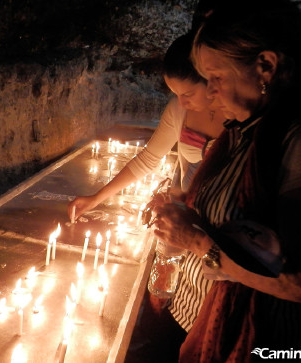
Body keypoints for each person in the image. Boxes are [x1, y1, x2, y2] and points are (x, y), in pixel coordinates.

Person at [153, 0, 301, 360]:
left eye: (216, 77)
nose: (210, 91)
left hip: (256, 342)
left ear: (265, 66)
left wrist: (199, 243)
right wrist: (182, 207)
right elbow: (230, 216)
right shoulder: (245, 129)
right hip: (199, 320)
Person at [68, 32, 226, 362]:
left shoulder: (239, 118)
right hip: (179, 228)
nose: (182, 101)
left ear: (213, 80)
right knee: (168, 308)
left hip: (215, 238)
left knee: (210, 323)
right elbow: (148, 159)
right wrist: (96, 198)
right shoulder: (180, 111)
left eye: (188, 92)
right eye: (175, 94)